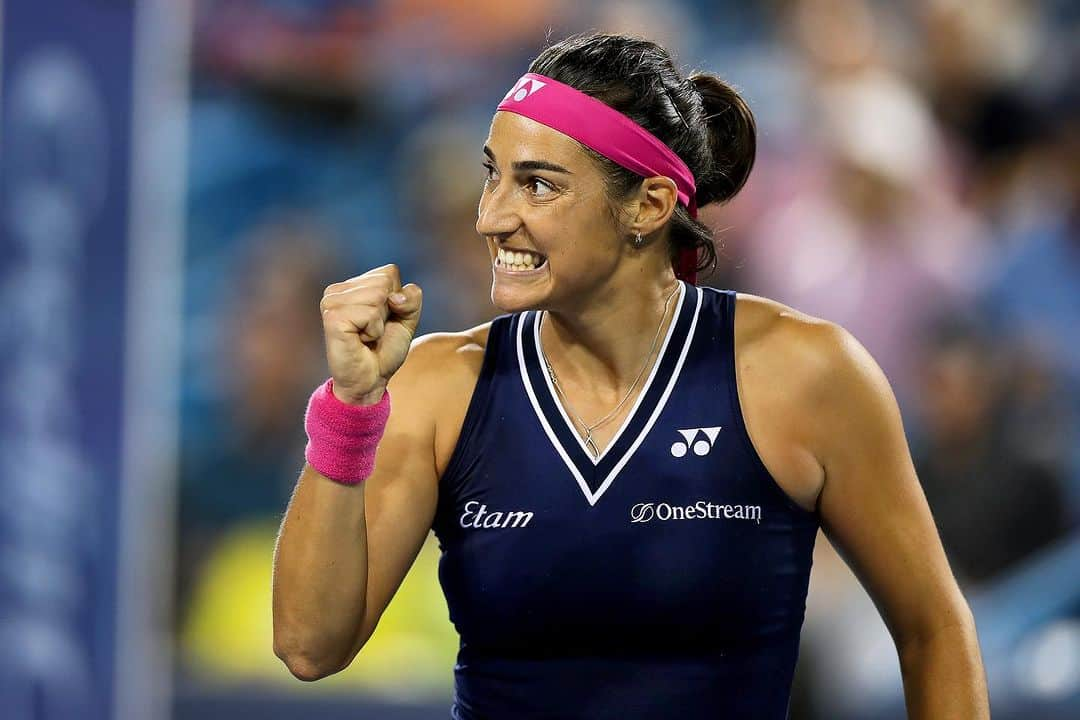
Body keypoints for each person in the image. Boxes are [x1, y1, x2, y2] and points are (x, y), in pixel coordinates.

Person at [271, 32, 990, 719]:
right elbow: (309, 646)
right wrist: (350, 405)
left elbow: (933, 630)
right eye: (492, 175)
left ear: (646, 205)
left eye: (538, 186)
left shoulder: (805, 376)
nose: (492, 217)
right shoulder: (438, 385)